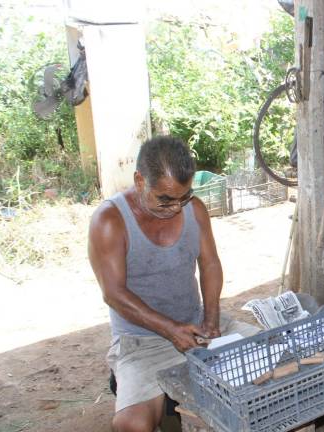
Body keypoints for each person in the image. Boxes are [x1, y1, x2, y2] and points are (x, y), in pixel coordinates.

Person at [88, 136, 257, 431]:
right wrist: (169, 330)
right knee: (132, 426)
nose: (176, 207)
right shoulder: (109, 220)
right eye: (165, 199)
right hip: (141, 341)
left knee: (280, 356)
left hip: (197, 328)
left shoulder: (196, 210)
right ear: (140, 181)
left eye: (184, 197)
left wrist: (212, 318)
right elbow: (114, 293)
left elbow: (210, 264)